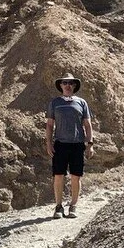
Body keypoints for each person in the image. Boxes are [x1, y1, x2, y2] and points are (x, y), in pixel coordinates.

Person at [45, 73, 94, 218]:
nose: (68, 85)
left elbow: (88, 125)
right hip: (60, 144)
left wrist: (90, 144)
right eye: (65, 82)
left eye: (71, 83)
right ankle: (58, 207)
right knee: (58, 176)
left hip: (77, 144)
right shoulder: (54, 103)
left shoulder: (82, 103)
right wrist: (48, 143)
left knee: (75, 176)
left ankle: (73, 205)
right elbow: (49, 124)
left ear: (74, 86)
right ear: (60, 85)